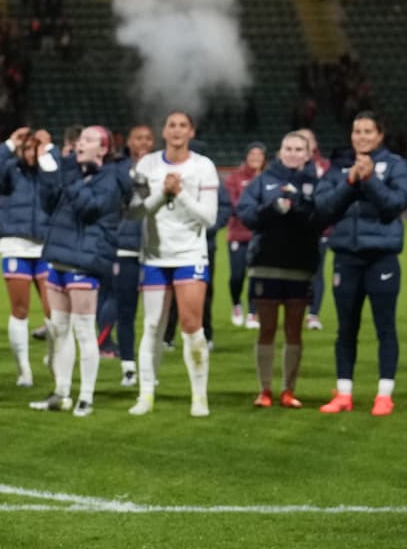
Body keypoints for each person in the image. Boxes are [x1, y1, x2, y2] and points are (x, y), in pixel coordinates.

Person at [313, 112, 407, 416]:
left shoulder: (394, 165)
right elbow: (323, 207)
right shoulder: (338, 167)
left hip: (381, 256)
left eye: (368, 131)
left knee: (385, 328)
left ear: (380, 135)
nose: (362, 136)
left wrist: (370, 181)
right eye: (357, 131)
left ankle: (384, 395)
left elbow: (397, 204)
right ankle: (344, 393)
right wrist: (350, 180)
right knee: (346, 329)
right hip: (346, 256)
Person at [126, 111, 219, 418]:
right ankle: (146, 394)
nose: (177, 130)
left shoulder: (203, 166)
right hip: (154, 256)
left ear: (191, 131)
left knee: (192, 327)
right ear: (163, 131)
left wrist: (179, 194)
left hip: (189, 255)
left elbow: (209, 218)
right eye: (171, 125)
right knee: (152, 326)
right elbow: (136, 211)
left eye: (183, 125)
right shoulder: (146, 165)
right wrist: (162, 193)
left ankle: (199, 396)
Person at [33, 126, 131, 416]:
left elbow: (89, 208)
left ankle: (85, 397)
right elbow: (49, 204)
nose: (80, 143)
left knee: (84, 332)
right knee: (58, 331)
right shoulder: (72, 172)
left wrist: (68, 176)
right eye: (80, 138)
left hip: (84, 263)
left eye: (88, 140)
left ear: (103, 149)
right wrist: (49, 174)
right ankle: (61, 393)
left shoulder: (110, 178)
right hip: (59, 259)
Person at [238, 131, 323, 407]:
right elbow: (247, 215)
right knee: (267, 328)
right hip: (266, 265)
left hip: (299, 266)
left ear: (308, 153)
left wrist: (296, 208)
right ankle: (265, 390)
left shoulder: (316, 182)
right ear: (280, 151)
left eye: (299, 149)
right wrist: (271, 209)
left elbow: (321, 217)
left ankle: (288, 390)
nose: (293, 153)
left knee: (294, 330)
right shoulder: (262, 181)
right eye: (288, 148)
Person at [0, 124, 53, 388]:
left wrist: (51, 150)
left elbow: (65, 179)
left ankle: (55, 357)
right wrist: (9, 143)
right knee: (20, 310)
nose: (30, 152)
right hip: (16, 245)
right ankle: (24, 369)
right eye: (25, 147)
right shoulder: (10, 172)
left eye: (35, 146)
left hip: (46, 246)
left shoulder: (50, 172)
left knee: (53, 312)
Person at [102, 123, 155, 386]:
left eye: (147, 138)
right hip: (125, 247)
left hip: (158, 251)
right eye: (138, 138)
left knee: (155, 316)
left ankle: (149, 368)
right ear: (129, 142)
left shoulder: (162, 167)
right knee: (126, 310)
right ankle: (128, 366)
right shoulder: (117, 169)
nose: (143, 142)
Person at [223, 143, 266, 328]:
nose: (255, 157)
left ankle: (253, 312)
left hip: (260, 235)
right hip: (238, 234)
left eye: (259, 154)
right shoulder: (235, 178)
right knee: (237, 275)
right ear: (246, 157)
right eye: (252, 154)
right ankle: (236, 304)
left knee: (256, 275)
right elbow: (233, 203)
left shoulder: (267, 178)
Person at [303, 129, 332, 332]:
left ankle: (313, 313)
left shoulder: (326, 167)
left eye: (308, 139)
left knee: (317, 271)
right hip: (294, 230)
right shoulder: (287, 166)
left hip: (320, 230)